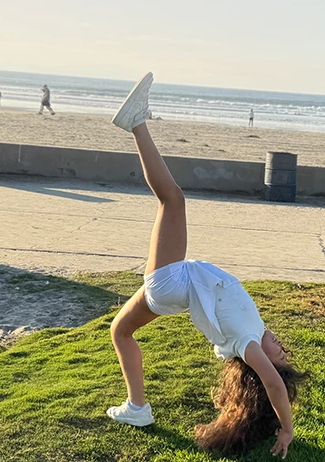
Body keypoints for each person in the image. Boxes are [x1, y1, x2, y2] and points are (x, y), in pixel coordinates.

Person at [106, 73, 308, 458]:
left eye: (279, 357)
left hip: (172, 282)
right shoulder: (252, 332)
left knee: (173, 200)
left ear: (262, 364)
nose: (281, 348)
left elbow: (274, 386)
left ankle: (136, 122)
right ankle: (137, 408)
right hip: (173, 290)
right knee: (121, 331)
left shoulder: (248, 345)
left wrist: (286, 429)